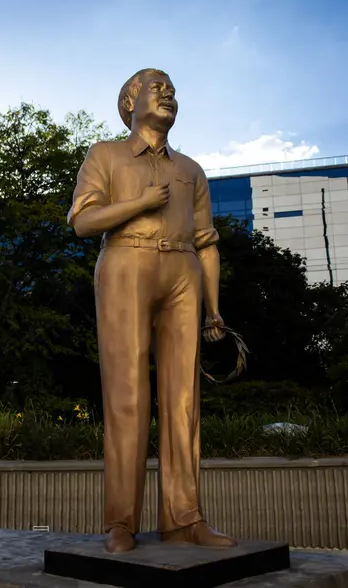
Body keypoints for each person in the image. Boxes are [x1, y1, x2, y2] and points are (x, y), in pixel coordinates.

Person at [67, 69, 237, 553]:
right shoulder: (106, 155)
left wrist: (214, 310)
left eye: (173, 90)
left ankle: (184, 519)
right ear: (129, 100)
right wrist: (139, 203)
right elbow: (82, 220)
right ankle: (120, 521)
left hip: (183, 268)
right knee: (127, 395)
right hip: (126, 260)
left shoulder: (191, 170)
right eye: (156, 86)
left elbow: (207, 244)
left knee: (184, 400)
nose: (168, 93)